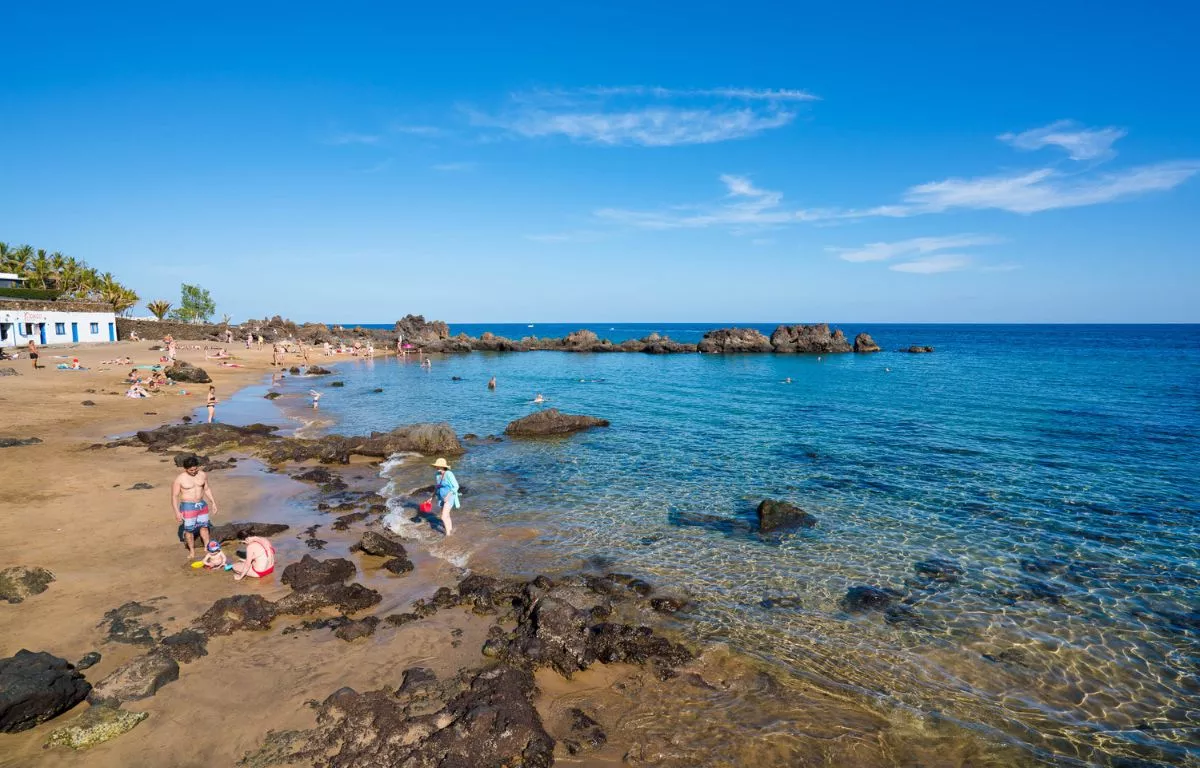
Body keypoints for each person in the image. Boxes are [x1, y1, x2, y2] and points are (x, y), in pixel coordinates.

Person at [172, 455, 217, 559]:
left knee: (204, 527)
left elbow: (206, 489)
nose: (194, 471)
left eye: (195, 469)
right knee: (189, 530)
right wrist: (177, 512)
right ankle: (192, 551)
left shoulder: (202, 474)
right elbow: (174, 496)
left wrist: (213, 502)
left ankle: (207, 547)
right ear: (185, 469)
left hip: (201, 505)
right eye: (191, 470)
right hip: (188, 506)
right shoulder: (180, 479)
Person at [426, 458, 460, 536]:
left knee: (443, 517)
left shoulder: (449, 474)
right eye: (436, 466)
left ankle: (448, 535)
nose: (436, 467)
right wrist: (432, 497)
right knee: (447, 515)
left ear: (442, 466)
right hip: (441, 497)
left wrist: (448, 496)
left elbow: (456, 486)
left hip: (450, 497)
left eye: (438, 466)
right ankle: (450, 530)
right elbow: (437, 487)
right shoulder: (437, 474)